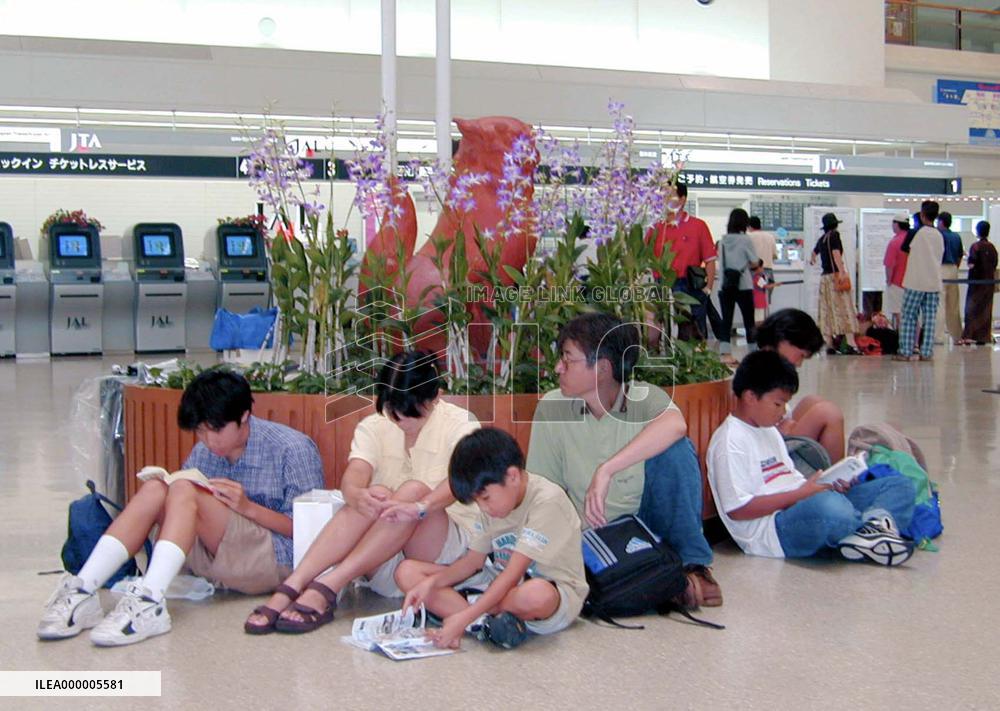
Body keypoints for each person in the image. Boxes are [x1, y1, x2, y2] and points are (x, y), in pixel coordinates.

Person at [38, 369, 324, 646]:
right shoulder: (206, 451)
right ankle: (83, 589)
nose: (209, 441)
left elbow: (311, 532)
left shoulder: (292, 448)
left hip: (274, 560)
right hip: (214, 557)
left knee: (184, 489)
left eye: (217, 430)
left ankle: (150, 600)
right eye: (200, 431)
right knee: (156, 488)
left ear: (245, 416)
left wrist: (248, 507)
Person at [243, 350, 480, 635]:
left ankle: (328, 585)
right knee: (373, 492)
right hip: (381, 557)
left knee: (414, 491)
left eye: (411, 414)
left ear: (436, 397)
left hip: (442, 554)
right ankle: (292, 586)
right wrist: (356, 494)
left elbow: (457, 485)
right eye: (394, 411)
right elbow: (356, 472)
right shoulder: (374, 425)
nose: (401, 421)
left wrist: (420, 507)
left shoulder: (461, 424)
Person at [525, 312, 721, 608]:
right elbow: (542, 487)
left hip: (648, 525)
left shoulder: (643, 397)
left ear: (602, 368)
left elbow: (675, 426)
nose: (558, 367)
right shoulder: (553, 407)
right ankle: (658, 582)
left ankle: (692, 564)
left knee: (677, 450)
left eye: (568, 359)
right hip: (593, 537)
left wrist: (606, 470)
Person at [707, 350, 915, 565]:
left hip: (801, 503)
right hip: (774, 529)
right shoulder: (730, 441)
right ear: (750, 396)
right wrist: (801, 494)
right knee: (831, 507)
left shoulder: (767, 429)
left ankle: (864, 535)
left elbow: (787, 479)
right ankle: (872, 528)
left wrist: (823, 484)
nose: (783, 411)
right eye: (778, 404)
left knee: (900, 486)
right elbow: (739, 510)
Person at [396, 428, 588, 651]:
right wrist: (432, 583)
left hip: (551, 593)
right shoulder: (493, 506)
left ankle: (467, 616)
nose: (484, 508)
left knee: (536, 595)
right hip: (496, 581)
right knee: (407, 572)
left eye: (486, 498)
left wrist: (463, 617)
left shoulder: (547, 501)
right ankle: (484, 622)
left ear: (513, 476)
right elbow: (472, 563)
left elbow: (512, 574)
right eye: (478, 502)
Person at [754, 308, 846, 461]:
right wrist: (778, 430)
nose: (799, 363)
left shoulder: (764, 365)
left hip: (775, 432)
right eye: (800, 355)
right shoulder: (757, 373)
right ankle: (835, 479)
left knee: (813, 401)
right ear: (783, 340)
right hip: (766, 448)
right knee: (828, 413)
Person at [646, 183, 723, 341]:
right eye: (662, 196)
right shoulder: (656, 227)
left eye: (670, 195)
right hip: (663, 284)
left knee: (693, 330)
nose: (664, 200)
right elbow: (643, 254)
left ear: (682, 199)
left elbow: (710, 259)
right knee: (662, 327)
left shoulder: (698, 226)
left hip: (690, 285)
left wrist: (708, 289)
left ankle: (695, 360)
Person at [896, 201, 944, 362]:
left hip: (915, 281)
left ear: (922, 215)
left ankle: (906, 350)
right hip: (934, 281)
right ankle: (927, 352)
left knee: (909, 316)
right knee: (930, 318)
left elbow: (905, 250)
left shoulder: (915, 233)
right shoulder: (939, 235)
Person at [810, 212, 860, 355]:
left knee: (827, 310)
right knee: (844, 308)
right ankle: (850, 343)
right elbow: (836, 253)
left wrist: (813, 260)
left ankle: (829, 343)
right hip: (835, 277)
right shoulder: (834, 235)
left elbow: (813, 255)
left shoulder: (822, 239)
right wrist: (842, 271)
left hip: (824, 278)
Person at [717, 208, 762, 357]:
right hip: (744, 285)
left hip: (725, 285)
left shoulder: (722, 240)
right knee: (749, 320)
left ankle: (725, 352)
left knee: (726, 320)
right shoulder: (745, 240)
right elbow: (754, 263)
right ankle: (752, 351)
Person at [959, 220, 997, 346]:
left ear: (977, 231)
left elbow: (971, 264)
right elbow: (994, 264)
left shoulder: (975, 246)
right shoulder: (992, 248)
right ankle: (983, 336)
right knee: (986, 310)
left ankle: (970, 335)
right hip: (989, 283)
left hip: (976, 283)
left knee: (971, 309)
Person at [936, 211, 965, 344]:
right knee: (953, 304)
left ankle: (938, 336)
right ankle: (957, 335)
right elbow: (960, 255)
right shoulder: (956, 236)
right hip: (953, 269)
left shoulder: (938, 235)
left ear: (941, 222)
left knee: (940, 304)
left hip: (940, 269)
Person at [883, 211, 911, 331]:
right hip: (912, 283)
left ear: (897, 224)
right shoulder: (912, 240)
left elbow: (889, 265)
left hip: (897, 282)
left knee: (899, 313)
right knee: (912, 314)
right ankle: (914, 343)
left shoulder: (894, 242)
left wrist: (889, 280)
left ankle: (902, 338)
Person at [748, 215, 777, 322]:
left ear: (749, 226)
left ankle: (754, 326)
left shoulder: (749, 236)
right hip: (768, 272)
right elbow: (774, 256)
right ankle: (765, 324)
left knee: (753, 303)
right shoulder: (770, 236)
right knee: (765, 302)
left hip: (753, 272)